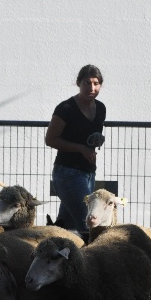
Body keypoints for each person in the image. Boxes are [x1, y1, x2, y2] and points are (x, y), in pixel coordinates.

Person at [46, 64, 106, 236]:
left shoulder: (101, 108)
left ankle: (58, 259)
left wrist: (96, 141)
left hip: (88, 172)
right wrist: (80, 148)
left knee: (64, 227)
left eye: (96, 83)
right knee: (88, 224)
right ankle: (90, 261)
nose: (91, 88)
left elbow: (89, 137)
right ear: (78, 83)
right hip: (67, 173)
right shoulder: (66, 108)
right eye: (87, 83)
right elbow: (50, 139)